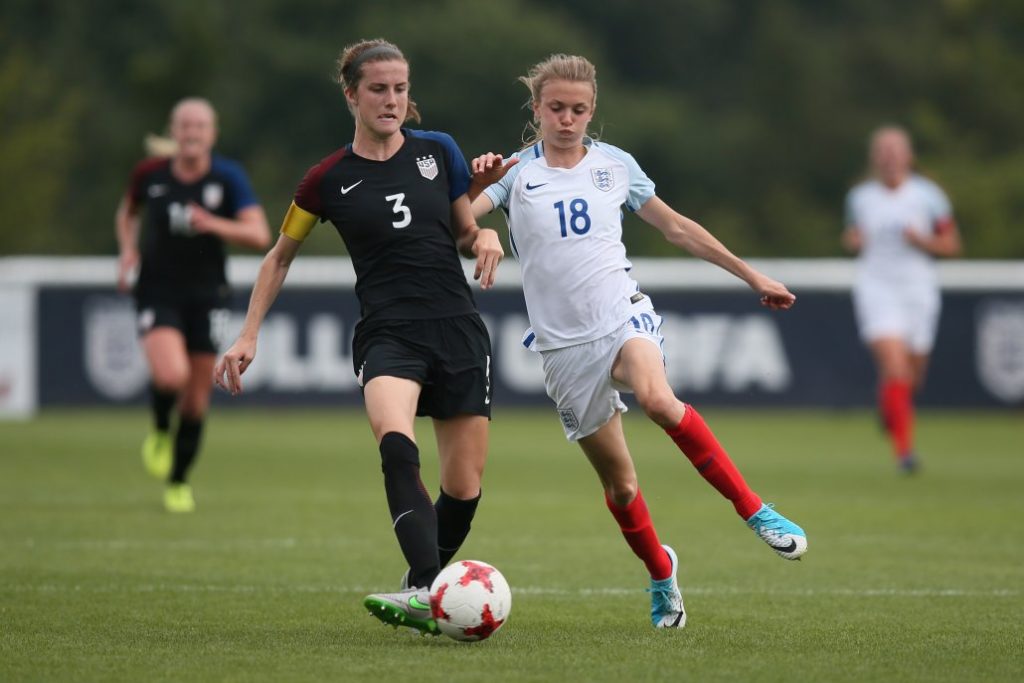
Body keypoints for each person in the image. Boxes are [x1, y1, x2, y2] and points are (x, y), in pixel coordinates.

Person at [469, 54, 808, 629]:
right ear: (536, 110)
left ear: (592, 110)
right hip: (561, 347)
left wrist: (753, 276)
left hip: (623, 313)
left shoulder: (614, 166)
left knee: (658, 399)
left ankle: (755, 510)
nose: (567, 119)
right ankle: (660, 572)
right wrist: (476, 215)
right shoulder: (512, 173)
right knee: (622, 487)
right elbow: (458, 220)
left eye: (578, 109)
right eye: (556, 108)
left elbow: (677, 227)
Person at [213, 39, 504, 636]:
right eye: (378, 89)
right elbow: (278, 257)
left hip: (457, 331)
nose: (392, 100)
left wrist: (486, 238)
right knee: (397, 447)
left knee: (464, 490)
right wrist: (248, 335)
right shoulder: (326, 179)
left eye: (400, 89)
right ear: (351, 94)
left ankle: (419, 587)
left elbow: (462, 229)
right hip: (388, 335)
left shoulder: (440, 151)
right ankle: (428, 589)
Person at [116, 97, 271, 513]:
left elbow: (259, 234)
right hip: (157, 290)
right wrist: (127, 251)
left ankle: (179, 480)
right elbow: (128, 212)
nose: (192, 133)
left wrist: (211, 223)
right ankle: (160, 428)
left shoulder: (228, 177)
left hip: (207, 296)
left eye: (200, 126)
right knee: (171, 376)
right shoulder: (150, 174)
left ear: (212, 134)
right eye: (185, 125)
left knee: (196, 397)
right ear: (173, 131)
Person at [842, 126, 962, 473]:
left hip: (918, 290)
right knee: (894, 366)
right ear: (874, 158)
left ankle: (889, 408)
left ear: (908, 156)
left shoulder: (929, 196)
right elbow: (852, 236)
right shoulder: (860, 197)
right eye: (883, 150)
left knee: (912, 377)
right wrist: (854, 239)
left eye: (896, 149)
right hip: (877, 288)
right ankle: (904, 453)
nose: (890, 156)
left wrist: (921, 240)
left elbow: (951, 244)